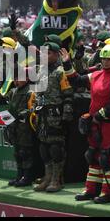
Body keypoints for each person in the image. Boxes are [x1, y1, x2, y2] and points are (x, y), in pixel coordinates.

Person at [64, 44, 110, 203]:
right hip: (95, 124)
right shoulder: (96, 74)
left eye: (109, 59)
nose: (106, 62)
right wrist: (67, 63)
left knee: (108, 158)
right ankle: (91, 189)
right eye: (103, 59)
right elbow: (76, 80)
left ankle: (108, 192)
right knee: (92, 156)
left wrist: (99, 115)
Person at [31, 40, 74, 193]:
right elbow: (36, 92)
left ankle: (57, 179)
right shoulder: (40, 70)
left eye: (48, 53)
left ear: (56, 55)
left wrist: (66, 114)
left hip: (56, 114)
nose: (44, 55)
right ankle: (47, 177)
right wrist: (34, 109)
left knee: (56, 148)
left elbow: (68, 94)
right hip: (42, 114)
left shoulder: (61, 72)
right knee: (43, 147)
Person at [0, 65, 36, 187]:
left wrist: (23, 114)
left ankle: (27, 177)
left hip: (25, 127)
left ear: (27, 78)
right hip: (14, 126)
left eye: (19, 78)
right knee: (17, 152)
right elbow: (2, 100)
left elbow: (34, 107)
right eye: (15, 79)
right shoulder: (13, 91)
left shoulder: (31, 92)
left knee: (25, 152)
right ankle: (19, 175)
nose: (17, 81)